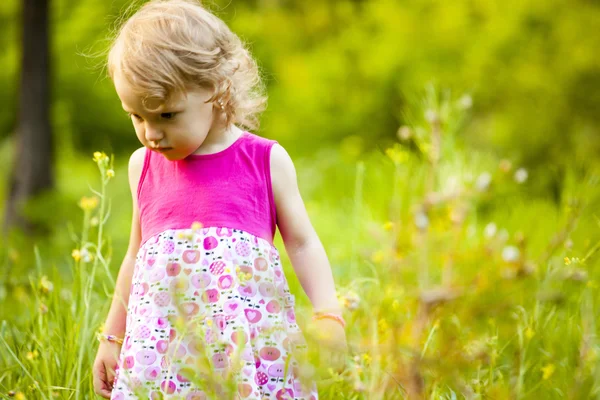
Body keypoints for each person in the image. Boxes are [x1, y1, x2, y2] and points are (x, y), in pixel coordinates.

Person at [91, 0, 348, 398]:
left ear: (214, 87)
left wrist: (329, 314)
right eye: (137, 116)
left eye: (167, 116)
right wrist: (112, 337)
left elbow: (302, 241)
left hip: (246, 347)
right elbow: (134, 255)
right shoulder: (142, 166)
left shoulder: (264, 160)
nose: (151, 134)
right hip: (163, 357)